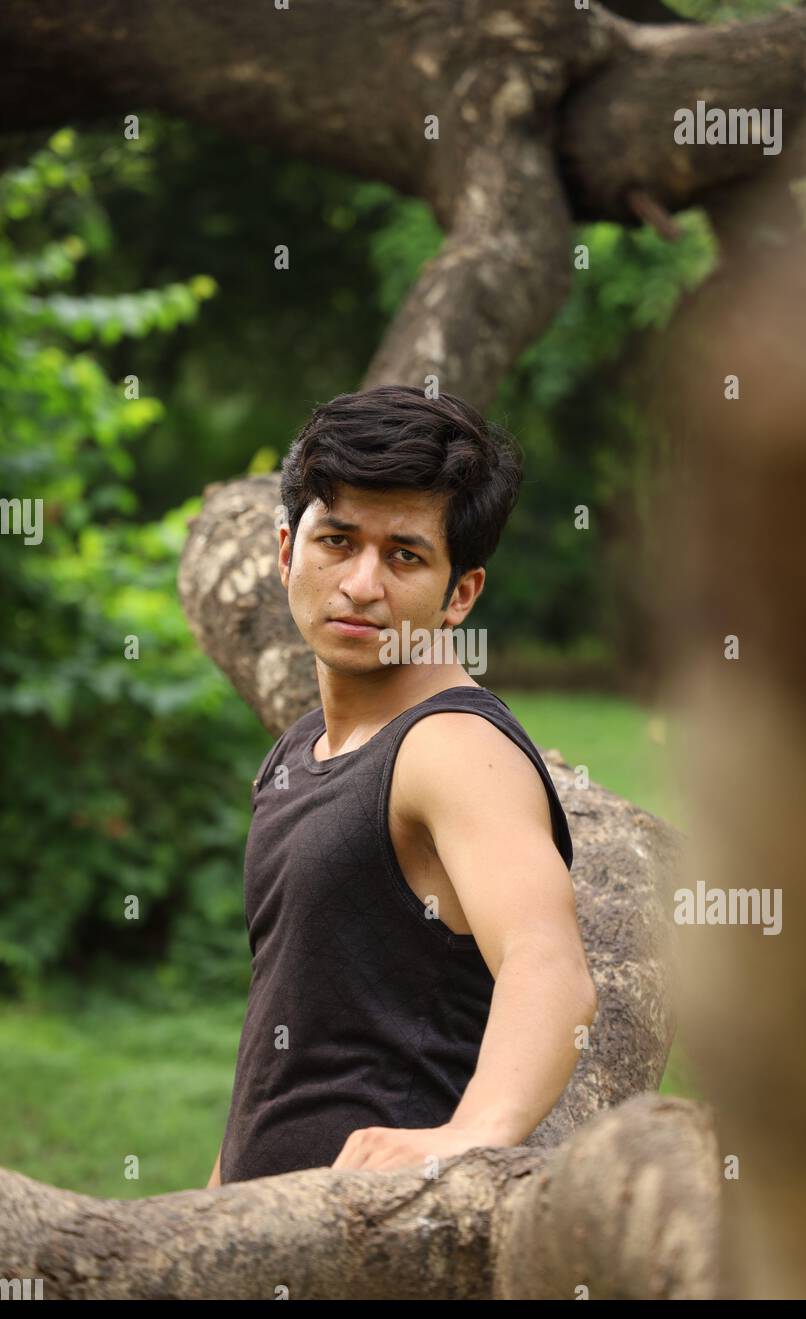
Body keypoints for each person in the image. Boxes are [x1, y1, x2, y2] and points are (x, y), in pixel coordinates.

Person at [209, 384, 596, 1185]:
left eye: (405, 555)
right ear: (288, 553)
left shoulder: (451, 749)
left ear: (460, 595)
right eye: (338, 542)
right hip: (264, 1231)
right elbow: (287, 1040)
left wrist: (469, 1134)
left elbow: (547, 964)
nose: (360, 584)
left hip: (378, 1239)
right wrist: (214, 1208)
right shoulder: (298, 750)